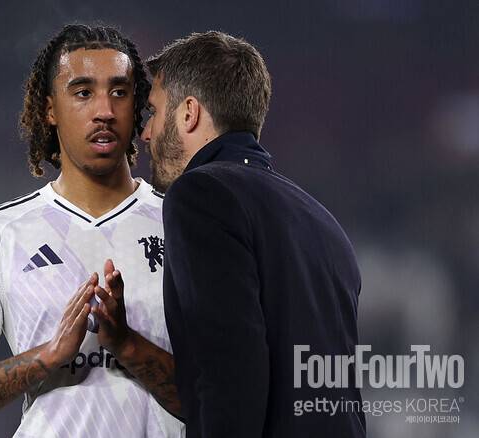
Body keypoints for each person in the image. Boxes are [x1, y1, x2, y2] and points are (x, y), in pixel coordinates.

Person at [0, 24, 184, 437]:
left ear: (136, 106)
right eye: (83, 93)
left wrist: (127, 344)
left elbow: (227, 394)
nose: (105, 110)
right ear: (49, 109)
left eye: (119, 92)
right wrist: (48, 356)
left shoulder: (182, 225)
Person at [141, 31, 365, 437]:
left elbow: (230, 369)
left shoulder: (200, 195)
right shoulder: (323, 222)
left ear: (188, 113)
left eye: (154, 112)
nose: (146, 133)